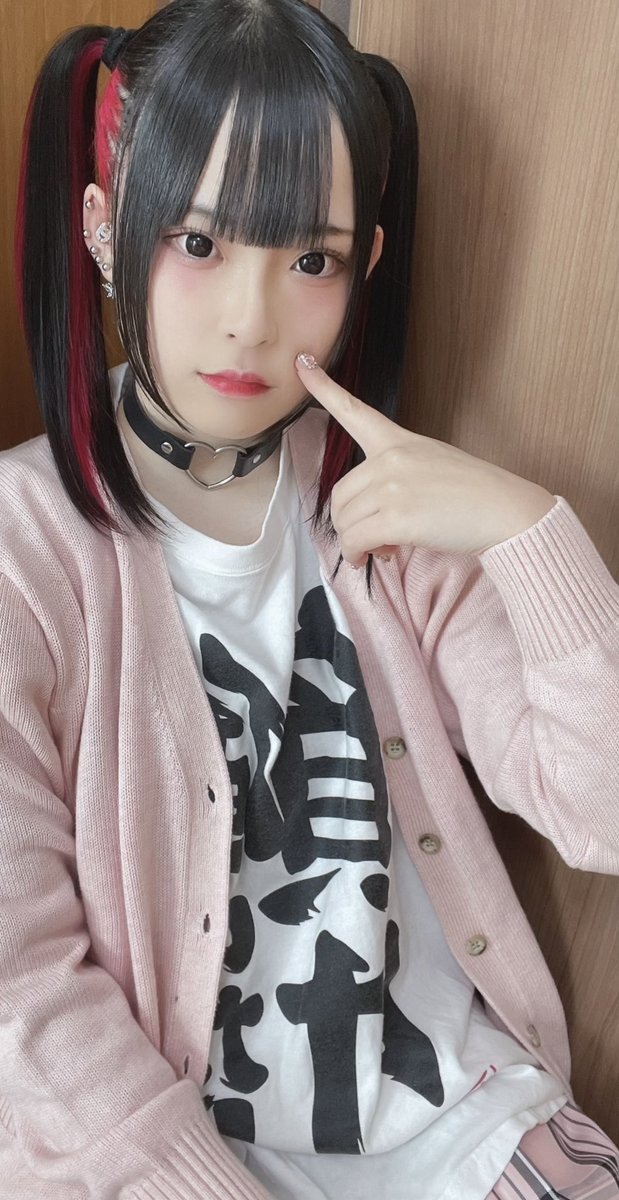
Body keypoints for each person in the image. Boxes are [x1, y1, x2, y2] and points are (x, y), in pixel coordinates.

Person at [1, 1, 618, 1197]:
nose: (251, 318)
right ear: (103, 230)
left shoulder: (383, 505)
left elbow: (603, 812)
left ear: (365, 264)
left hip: (460, 1121)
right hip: (163, 1155)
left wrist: (527, 530)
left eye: (310, 260)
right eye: (198, 242)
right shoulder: (23, 553)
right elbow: (19, 988)